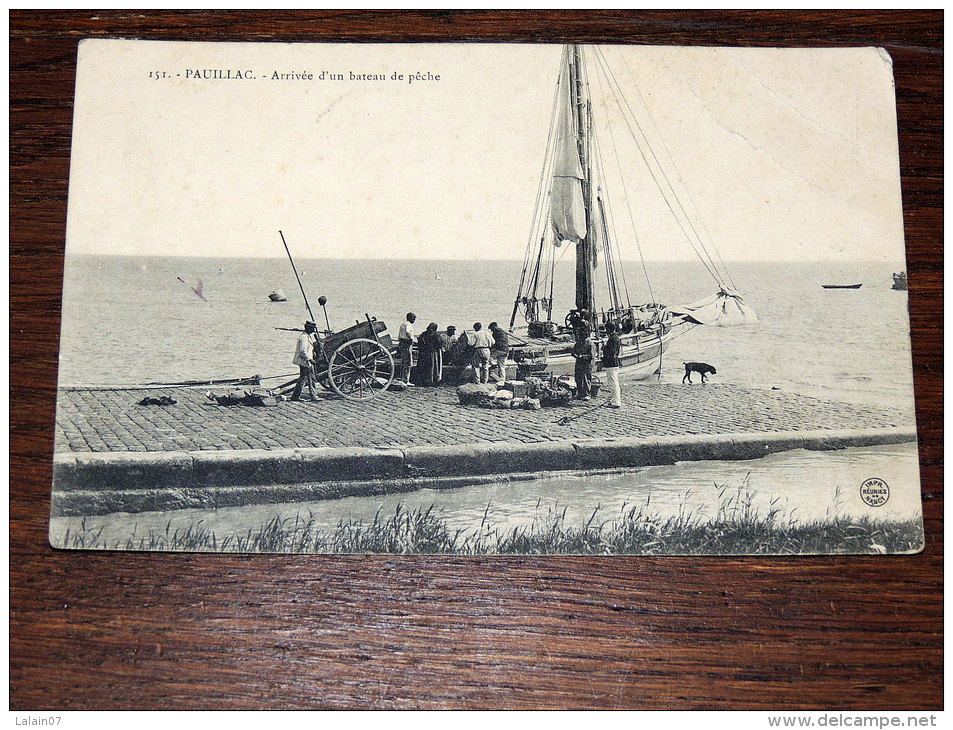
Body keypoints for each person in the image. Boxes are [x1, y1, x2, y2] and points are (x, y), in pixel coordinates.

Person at [290, 321, 319, 401]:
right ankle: (313, 396)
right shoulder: (304, 337)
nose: (313, 330)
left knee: (304, 378)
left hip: (305, 361)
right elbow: (303, 351)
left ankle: (295, 396)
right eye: (312, 328)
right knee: (308, 378)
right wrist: (310, 359)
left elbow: (308, 349)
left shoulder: (307, 336)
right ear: (308, 328)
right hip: (304, 361)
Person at [570, 323, 598, 401]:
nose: (579, 336)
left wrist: (582, 356)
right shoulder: (578, 343)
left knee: (586, 379)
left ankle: (587, 393)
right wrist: (575, 355)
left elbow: (592, 356)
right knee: (578, 378)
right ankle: (580, 393)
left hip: (587, 364)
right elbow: (573, 352)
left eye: (581, 335)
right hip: (579, 363)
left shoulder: (590, 344)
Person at [601, 321, 623, 408]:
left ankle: (616, 402)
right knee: (612, 382)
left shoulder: (613, 339)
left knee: (613, 383)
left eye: (607, 329)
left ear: (610, 329)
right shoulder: (615, 338)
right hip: (613, 363)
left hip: (611, 363)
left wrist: (604, 348)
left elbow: (612, 352)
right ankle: (613, 399)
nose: (606, 331)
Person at [397, 311, 417, 385]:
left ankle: (402, 378)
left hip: (402, 343)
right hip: (406, 344)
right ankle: (406, 380)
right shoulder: (408, 325)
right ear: (410, 318)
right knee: (408, 362)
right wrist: (412, 339)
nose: (414, 320)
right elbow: (408, 333)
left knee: (403, 361)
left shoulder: (403, 324)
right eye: (414, 318)